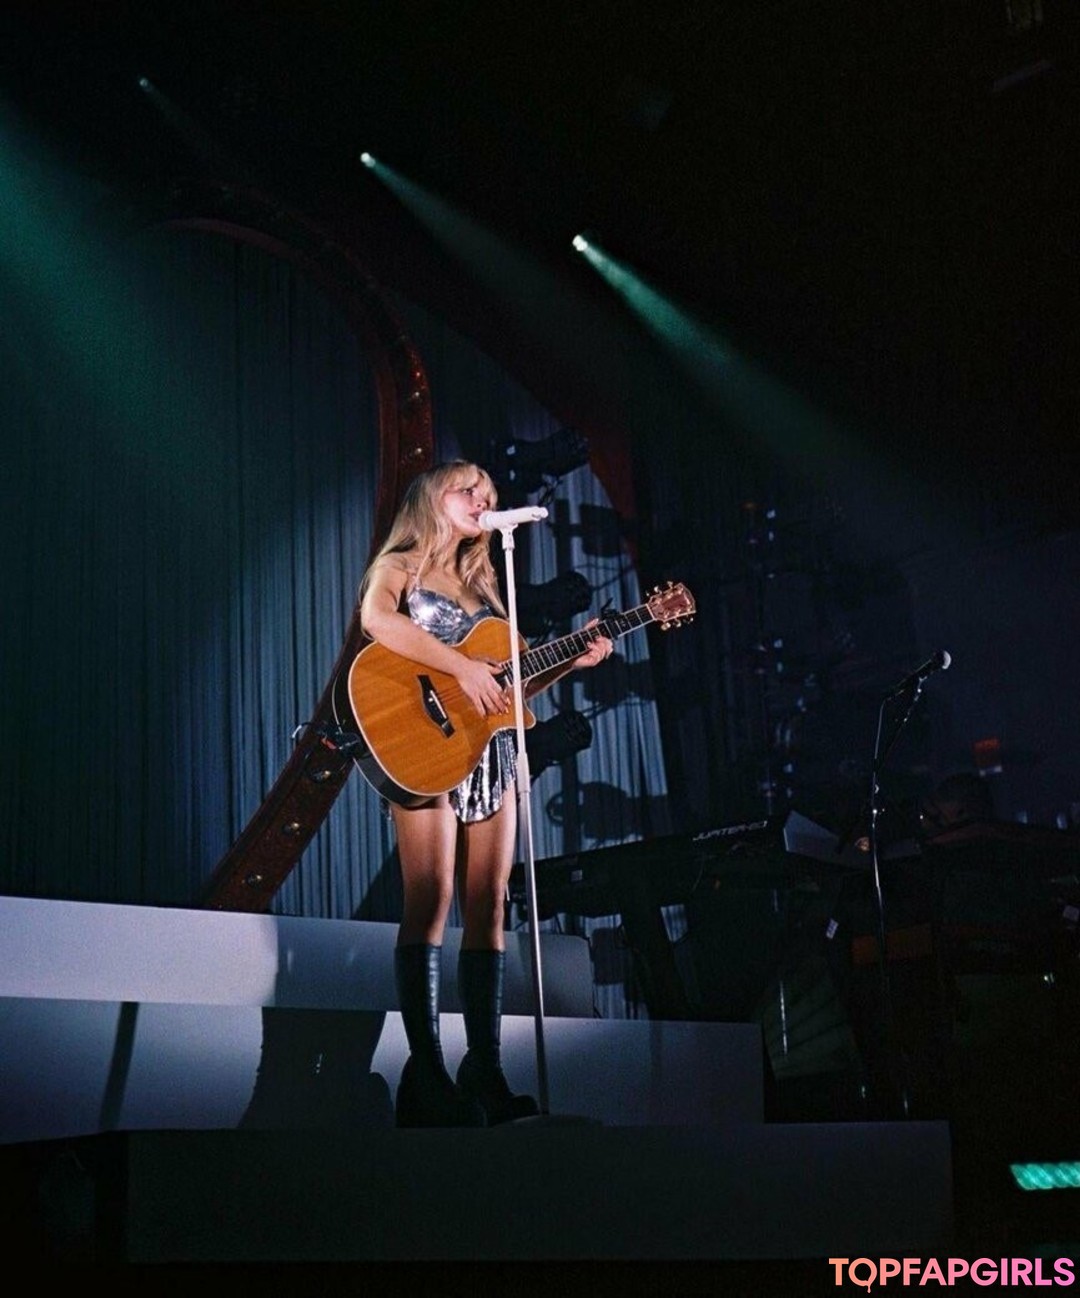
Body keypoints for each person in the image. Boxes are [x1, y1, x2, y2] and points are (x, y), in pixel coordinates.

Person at [359, 459, 613, 1127]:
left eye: (489, 492)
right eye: (468, 488)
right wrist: (460, 667)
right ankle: (426, 1071)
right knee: (431, 896)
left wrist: (570, 658)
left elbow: (508, 693)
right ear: (431, 496)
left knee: (490, 904)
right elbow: (377, 621)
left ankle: (485, 1067)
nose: (482, 498)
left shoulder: (486, 587)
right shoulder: (403, 564)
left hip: (489, 751)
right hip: (423, 742)